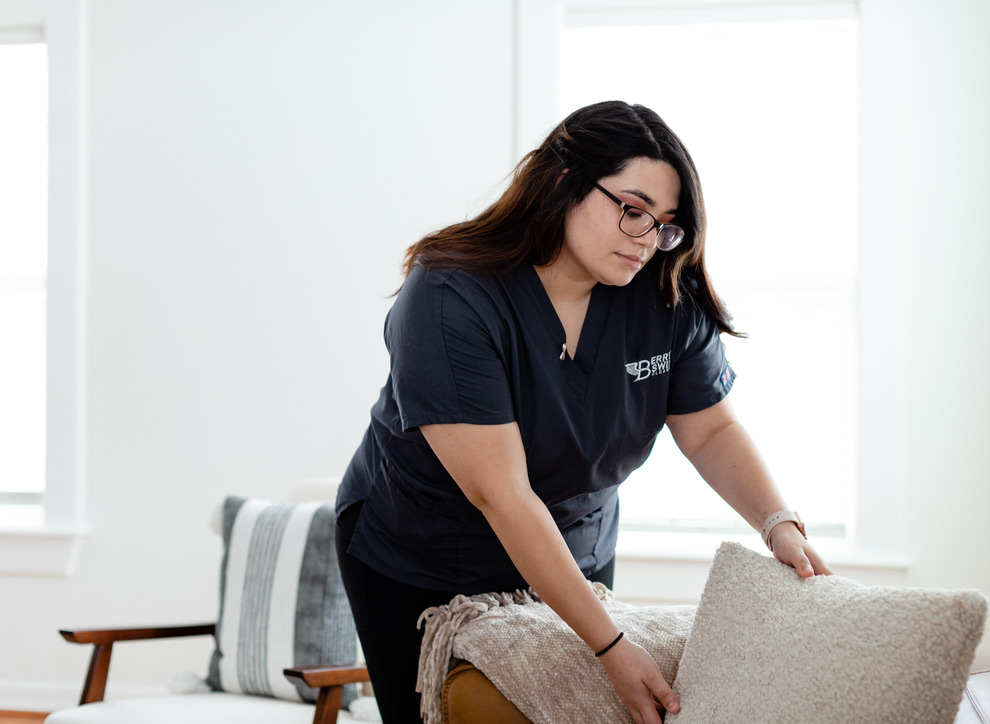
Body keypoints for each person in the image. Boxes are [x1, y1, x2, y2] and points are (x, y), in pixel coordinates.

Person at [335, 100, 832, 724]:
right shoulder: (448, 297)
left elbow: (710, 429)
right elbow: (504, 495)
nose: (649, 240)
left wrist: (777, 522)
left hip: (575, 546)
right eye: (632, 210)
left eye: (666, 224)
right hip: (425, 553)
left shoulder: (663, 294)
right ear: (563, 183)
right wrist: (612, 644)